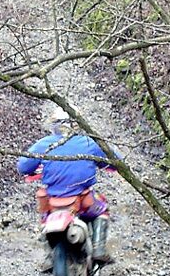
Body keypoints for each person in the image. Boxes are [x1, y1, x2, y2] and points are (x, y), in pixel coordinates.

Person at [17, 108, 116, 265]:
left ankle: (49, 253)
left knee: (44, 217)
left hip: (53, 202)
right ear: (76, 124)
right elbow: (115, 158)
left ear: (54, 125)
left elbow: (23, 166)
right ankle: (99, 248)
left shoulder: (45, 144)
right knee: (102, 209)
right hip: (83, 201)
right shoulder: (88, 142)